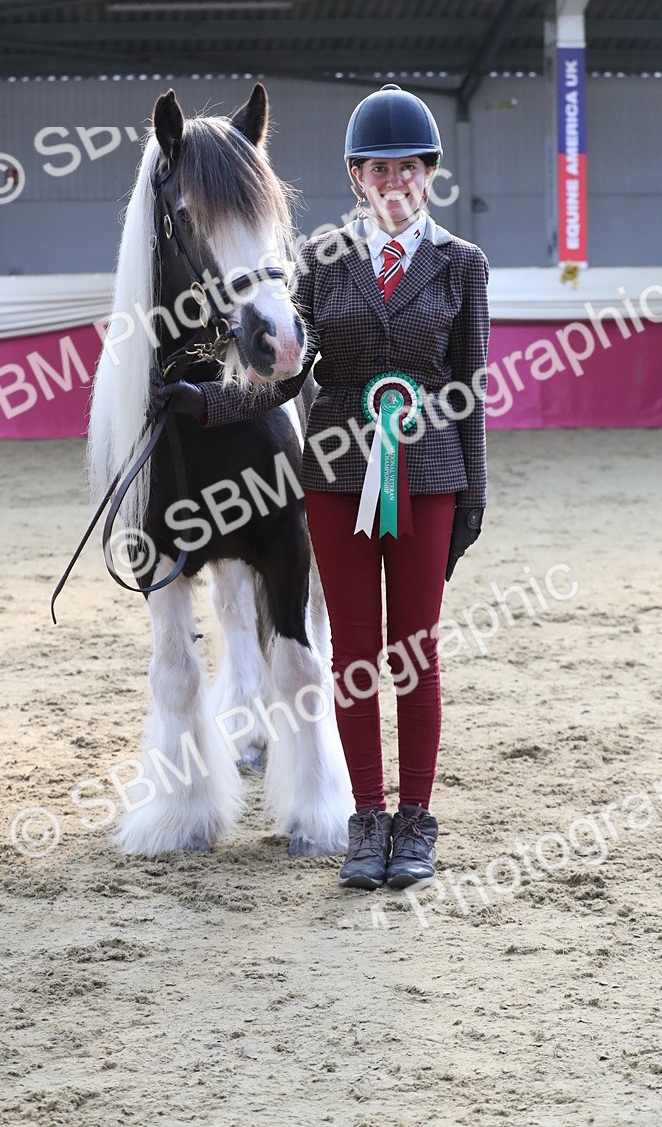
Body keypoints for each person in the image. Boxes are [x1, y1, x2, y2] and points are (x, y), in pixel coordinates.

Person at [156, 84, 490, 890]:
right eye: (376, 171)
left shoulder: (461, 265)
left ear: (429, 176)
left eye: (407, 169)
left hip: (431, 476)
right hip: (336, 479)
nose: (392, 183)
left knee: (414, 658)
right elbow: (287, 374)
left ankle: (416, 823)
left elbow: (471, 388)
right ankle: (364, 821)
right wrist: (210, 402)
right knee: (351, 657)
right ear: (355, 178)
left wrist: (473, 498)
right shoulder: (321, 263)